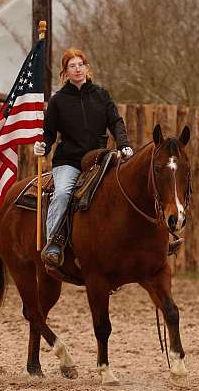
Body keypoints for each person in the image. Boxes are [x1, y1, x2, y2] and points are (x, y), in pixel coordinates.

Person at [34, 47, 133, 268]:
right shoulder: (58, 100)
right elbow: (49, 132)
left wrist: (124, 144)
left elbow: (115, 122)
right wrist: (43, 145)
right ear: (65, 72)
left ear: (87, 68)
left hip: (100, 158)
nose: (77, 69)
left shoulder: (101, 94)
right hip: (69, 161)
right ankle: (53, 244)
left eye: (80, 65)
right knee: (62, 194)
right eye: (72, 66)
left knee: (125, 188)